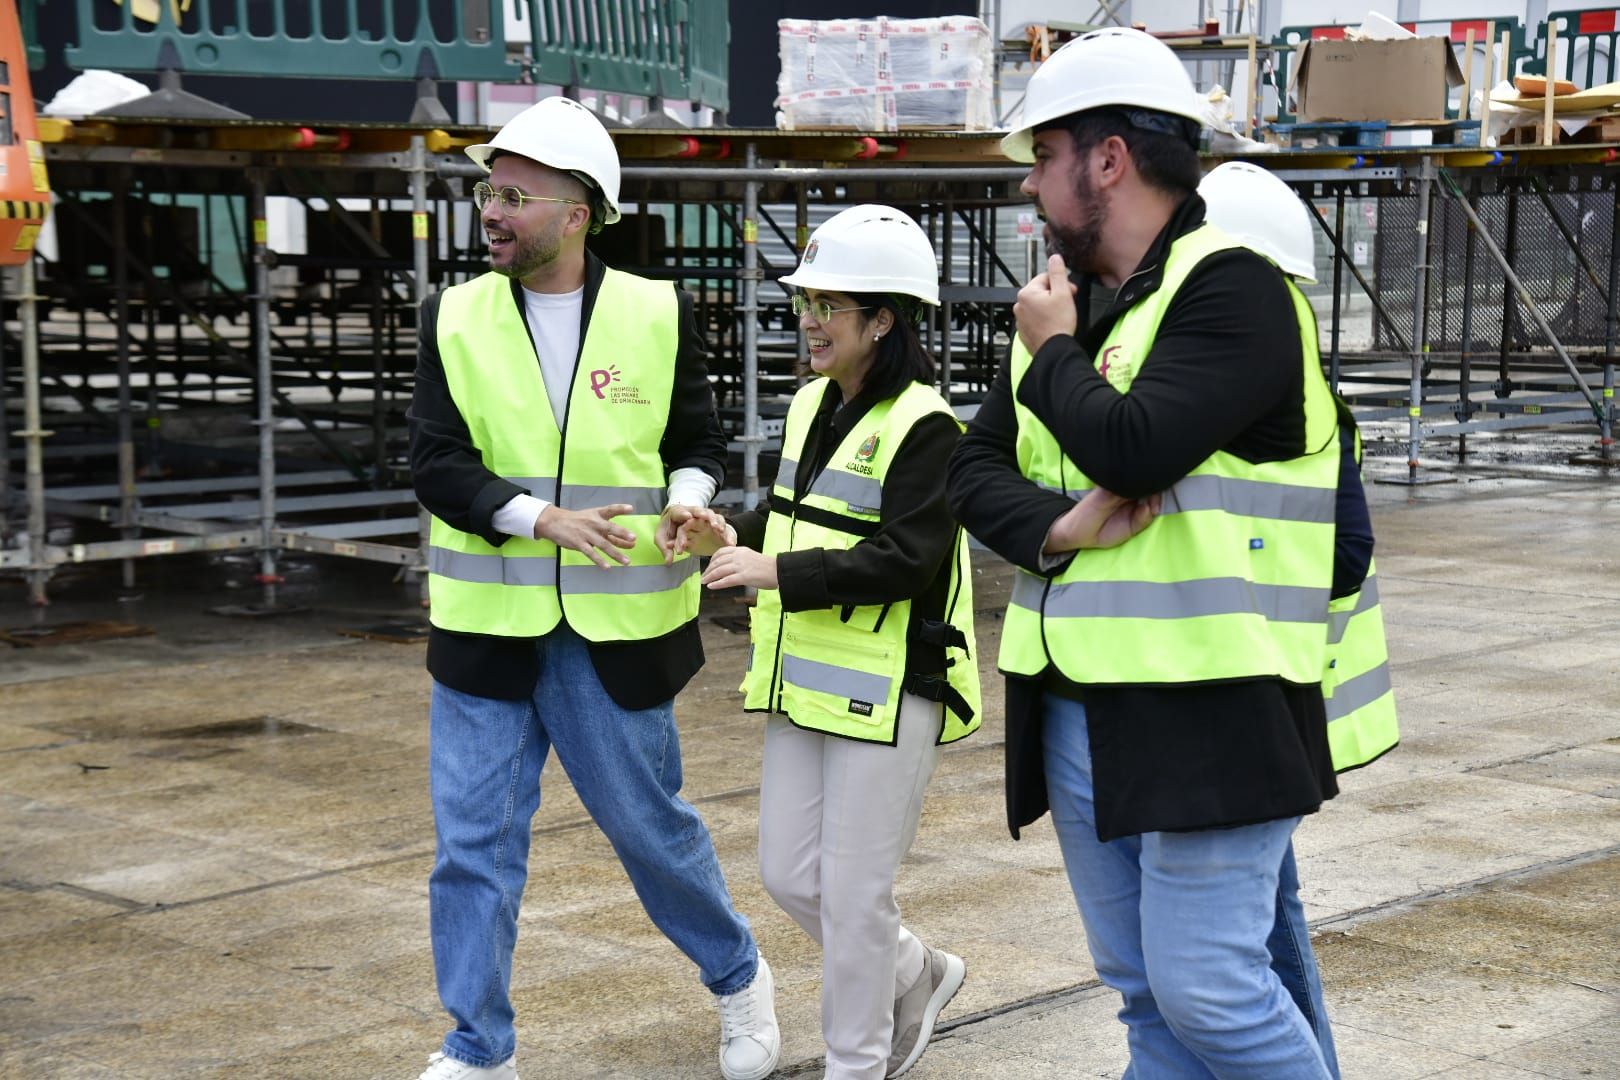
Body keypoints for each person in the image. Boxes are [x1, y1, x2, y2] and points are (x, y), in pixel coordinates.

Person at [947, 28, 1343, 1078]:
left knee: (1210, 992)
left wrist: (1053, 354)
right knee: (1145, 1000)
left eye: (1042, 158)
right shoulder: (1078, 308)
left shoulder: (1235, 291)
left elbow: (1138, 443)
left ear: (1107, 159)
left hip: (1215, 705)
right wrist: (1058, 524)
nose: (1032, 188)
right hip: (1083, 702)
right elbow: (971, 470)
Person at [407, 96, 780, 1080]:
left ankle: (740, 977)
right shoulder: (454, 315)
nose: (492, 211)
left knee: (647, 828)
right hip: (489, 624)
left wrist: (691, 503)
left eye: (515, 196)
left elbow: (694, 443)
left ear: (577, 213)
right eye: (489, 193)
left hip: (616, 629)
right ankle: (478, 1049)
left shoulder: (655, 312)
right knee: (473, 847)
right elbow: (436, 464)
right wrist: (539, 518)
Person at [675, 205, 981, 1079]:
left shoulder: (929, 428)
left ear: (883, 321)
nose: (807, 319)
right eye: (804, 300)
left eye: (828, 305)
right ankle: (916, 971)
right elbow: (790, 517)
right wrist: (724, 536)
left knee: (852, 895)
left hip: (895, 688)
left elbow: (909, 560)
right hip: (806, 675)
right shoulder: (812, 403)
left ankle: (858, 1061)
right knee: (786, 875)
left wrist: (774, 576)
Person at [1200, 159, 1401, 1080]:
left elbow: (1343, 554)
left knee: (1253, 948)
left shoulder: (1301, 402)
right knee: (1258, 935)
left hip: (1276, 700)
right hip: (1258, 699)